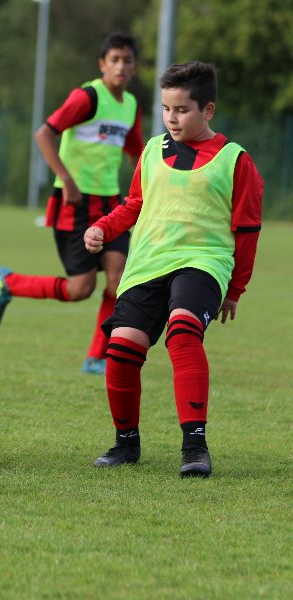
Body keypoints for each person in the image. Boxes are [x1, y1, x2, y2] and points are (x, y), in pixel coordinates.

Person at [83, 61, 263, 478]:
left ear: (208, 110)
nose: (171, 117)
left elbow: (248, 230)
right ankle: (126, 444)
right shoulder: (151, 150)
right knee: (122, 351)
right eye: (166, 108)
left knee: (182, 334)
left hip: (203, 263)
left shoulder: (236, 161)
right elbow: (134, 204)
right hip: (147, 264)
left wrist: (235, 288)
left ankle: (194, 447)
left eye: (182, 109)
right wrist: (102, 228)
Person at [0, 32, 144, 375]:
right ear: (102, 64)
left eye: (127, 60)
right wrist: (66, 179)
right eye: (114, 59)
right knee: (80, 289)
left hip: (111, 206)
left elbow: (137, 154)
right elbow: (43, 133)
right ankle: (9, 283)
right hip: (75, 204)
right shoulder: (87, 97)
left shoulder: (130, 105)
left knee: (119, 281)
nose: (121, 66)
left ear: (134, 66)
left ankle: (97, 357)